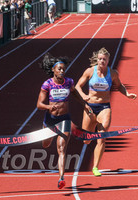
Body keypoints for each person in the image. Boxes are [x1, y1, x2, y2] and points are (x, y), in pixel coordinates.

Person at [75, 47, 137, 177]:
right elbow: (77, 86)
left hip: (104, 107)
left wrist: (127, 94)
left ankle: (95, 167)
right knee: (86, 140)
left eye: (104, 59)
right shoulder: (90, 71)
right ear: (97, 60)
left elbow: (119, 85)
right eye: (100, 59)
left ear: (108, 60)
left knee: (102, 137)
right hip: (90, 107)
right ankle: (88, 138)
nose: (102, 61)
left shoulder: (112, 73)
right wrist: (83, 96)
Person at [37, 53, 92, 189]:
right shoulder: (47, 84)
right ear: (53, 70)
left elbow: (75, 94)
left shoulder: (69, 82)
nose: (62, 71)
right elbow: (39, 105)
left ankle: (61, 178)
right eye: (59, 69)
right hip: (50, 120)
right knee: (45, 144)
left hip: (64, 120)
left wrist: (84, 104)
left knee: (61, 149)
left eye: (63, 69)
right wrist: (49, 107)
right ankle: (46, 131)